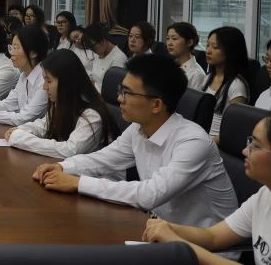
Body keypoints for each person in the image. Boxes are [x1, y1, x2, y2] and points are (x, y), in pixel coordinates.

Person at [33, 54, 238, 229]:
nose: (119, 99)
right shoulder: (138, 129)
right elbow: (104, 159)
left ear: (156, 105)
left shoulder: (193, 142)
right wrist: (62, 167)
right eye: (120, 90)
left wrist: (78, 183)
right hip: (160, 229)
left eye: (127, 93)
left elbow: (150, 194)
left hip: (204, 247)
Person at [142, 109, 271, 265]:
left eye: (256, 146)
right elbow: (213, 236)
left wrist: (177, 242)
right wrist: (168, 228)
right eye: (249, 142)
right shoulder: (268, 195)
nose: (245, 151)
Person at [5, 49, 118, 158]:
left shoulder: (92, 115)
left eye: (49, 81)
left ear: (66, 82)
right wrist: (21, 129)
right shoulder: (63, 103)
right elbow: (45, 125)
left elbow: (70, 150)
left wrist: (22, 139)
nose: (44, 87)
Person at [202, 27, 251, 140]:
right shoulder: (208, 77)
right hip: (202, 135)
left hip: (217, 142)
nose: (208, 51)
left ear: (230, 51)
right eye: (207, 45)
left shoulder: (236, 85)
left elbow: (234, 128)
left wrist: (208, 142)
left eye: (215, 47)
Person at [80, 23, 129, 89]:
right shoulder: (99, 54)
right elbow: (95, 79)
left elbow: (114, 89)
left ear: (103, 41)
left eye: (93, 47)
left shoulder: (119, 59)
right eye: (90, 48)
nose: (93, 51)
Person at [167, 22, 206, 90]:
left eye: (174, 39)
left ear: (189, 42)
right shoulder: (169, 65)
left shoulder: (197, 74)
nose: (169, 43)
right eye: (168, 38)